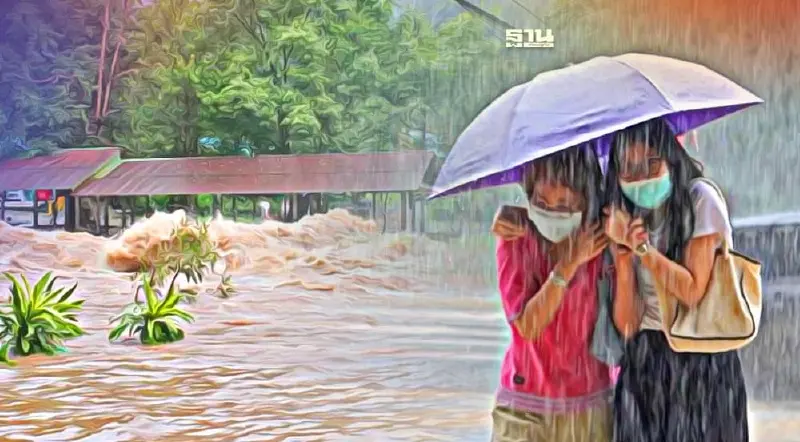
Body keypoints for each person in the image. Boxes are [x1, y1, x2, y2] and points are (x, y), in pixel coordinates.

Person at [604, 118, 749, 442]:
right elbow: (628, 326)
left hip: (703, 360)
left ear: (670, 156)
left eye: (649, 163)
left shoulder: (701, 199)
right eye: (627, 169)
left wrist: (643, 249)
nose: (639, 177)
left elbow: (691, 291)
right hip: (646, 363)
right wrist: (623, 257)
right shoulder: (626, 215)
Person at [490, 145, 613, 442]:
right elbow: (528, 326)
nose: (550, 213)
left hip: (589, 407)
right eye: (540, 203)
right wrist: (569, 263)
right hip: (524, 408)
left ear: (586, 201)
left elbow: (626, 320)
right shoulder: (515, 237)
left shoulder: (603, 240)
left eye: (563, 206)